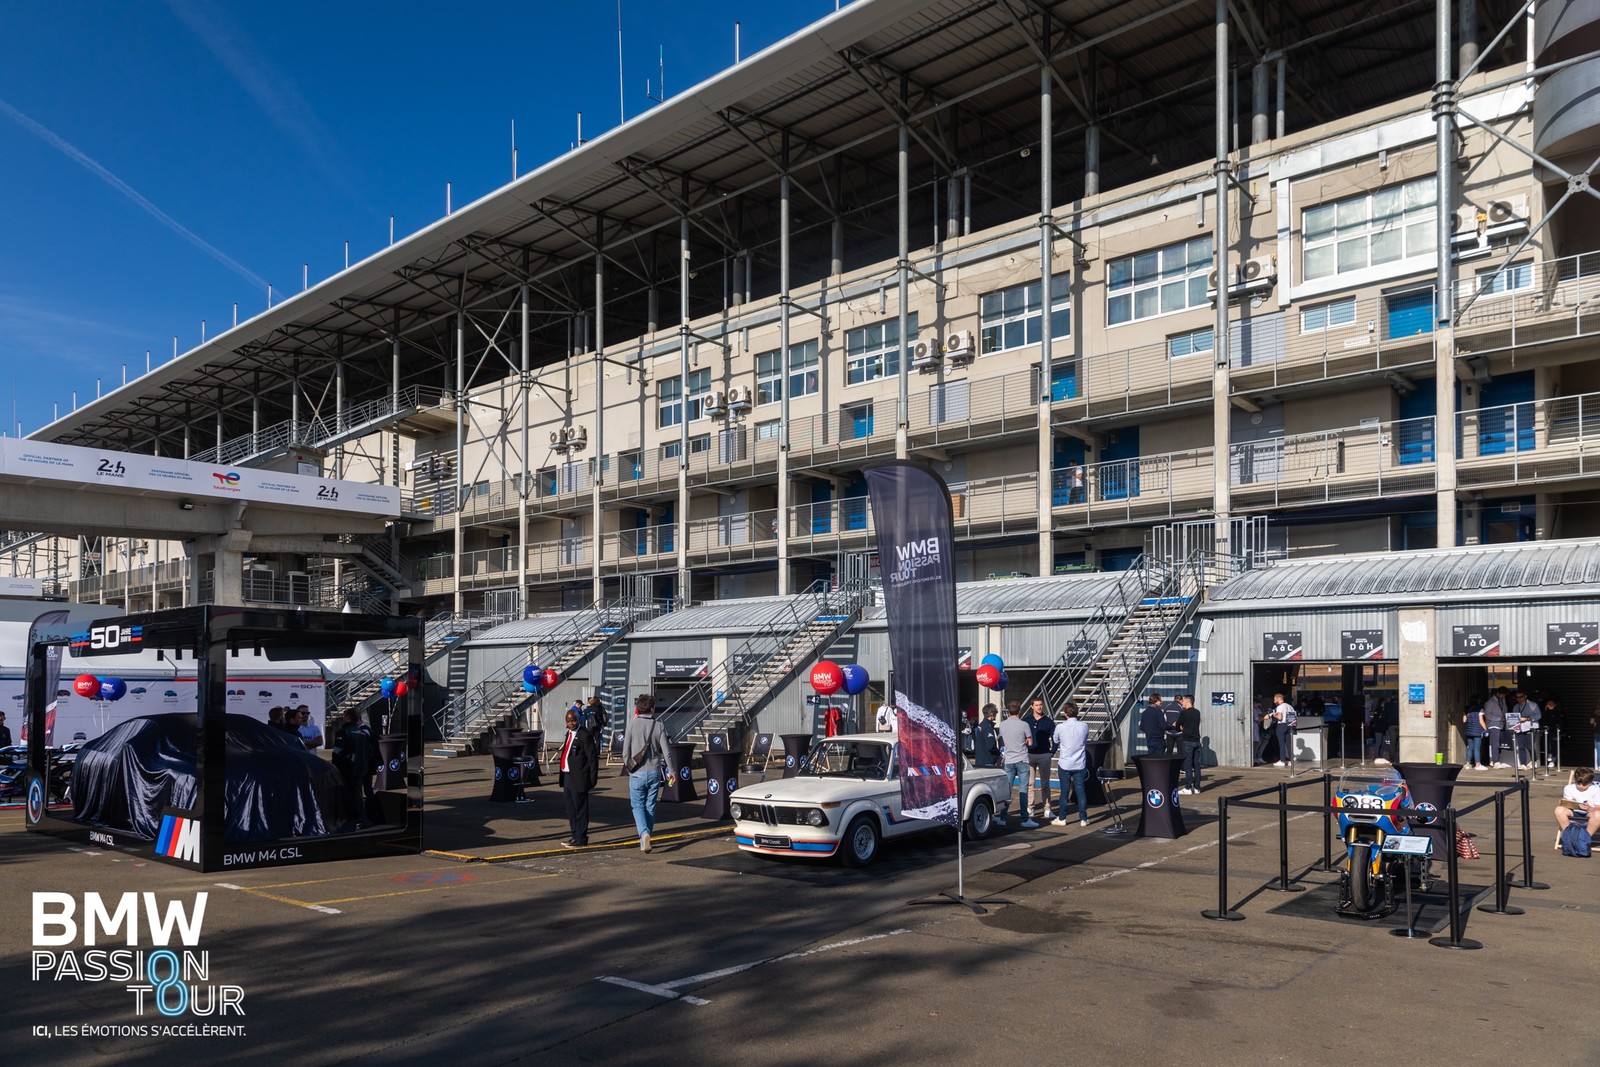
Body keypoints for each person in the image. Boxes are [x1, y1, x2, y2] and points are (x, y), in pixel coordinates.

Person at [622, 692, 670, 853]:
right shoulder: (659, 726)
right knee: (650, 805)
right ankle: (646, 836)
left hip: (637, 772)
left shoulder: (632, 725)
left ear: (638, 708)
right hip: (654, 771)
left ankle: (643, 834)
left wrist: (629, 767)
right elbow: (666, 752)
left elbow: (625, 752)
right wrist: (672, 770)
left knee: (637, 805)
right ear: (652, 709)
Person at [557, 708, 599, 848]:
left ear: (578, 719)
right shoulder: (569, 734)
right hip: (567, 776)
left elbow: (592, 758)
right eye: (569, 721)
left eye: (574, 720)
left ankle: (581, 838)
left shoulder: (584, 735)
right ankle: (574, 835)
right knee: (571, 809)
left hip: (579, 777)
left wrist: (593, 779)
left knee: (580, 809)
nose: (572, 723)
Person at [331, 707, 376, 826]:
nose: (342, 718)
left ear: (348, 718)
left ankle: (351, 818)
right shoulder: (362, 733)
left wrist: (334, 767)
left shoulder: (343, 732)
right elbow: (370, 752)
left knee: (347, 794)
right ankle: (361, 817)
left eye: (344, 716)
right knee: (358, 794)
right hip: (361, 769)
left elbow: (337, 752)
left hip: (346, 769)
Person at [1050, 702, 1090, 828]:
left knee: (1064, 791)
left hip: (1065, 763)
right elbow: (1085, 739)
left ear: (1065, 713)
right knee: (1080, 790)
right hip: (1079, 763)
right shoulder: (1084, 726)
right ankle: (1083, 818)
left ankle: (1062, 818)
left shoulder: (1060, 727)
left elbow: (1055, 740)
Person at [996, 704, 1035, 828]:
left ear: (1009, 711)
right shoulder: (1024, 725)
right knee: (1023, 789)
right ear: (1019, 711)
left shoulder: (1003, 724)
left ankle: (1002, 817)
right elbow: (1030, 742)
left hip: (1009, 760)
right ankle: (1024, 819)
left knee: (1007, 790)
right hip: (1022, 759)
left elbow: (1002, 739)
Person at [1025, 697, 1056, 818]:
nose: (1039, 707)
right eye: (1037, 705)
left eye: (1041, 705)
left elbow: (1055, 738)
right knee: (1030, 784)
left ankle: (1047, 808)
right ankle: (1030, 808)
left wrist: (1052, 752)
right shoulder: (1026, 720)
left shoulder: (1048, 722)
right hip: (1029, 755)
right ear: (1032, 706)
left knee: (1045, 784)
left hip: (1044, 755)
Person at [1554, 768, 1600, 842]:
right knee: (1558, 810)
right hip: (1573, 812)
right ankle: (1570, 836)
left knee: (1598, 814)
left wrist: (1589, 808)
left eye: (1585, 784)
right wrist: (1564, 803)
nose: (1581, 786)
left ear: (1590, 782)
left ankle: (1584, 839)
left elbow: (1598, 807)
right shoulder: (1569, 788)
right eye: (1578, 783)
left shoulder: (1596, 789)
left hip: (1589, 813)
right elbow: (1567, 805)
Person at [1176, 694, 1202, 794]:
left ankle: (1188, 787)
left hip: (1187, 741)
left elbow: (1178, 726)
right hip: (1196, 741)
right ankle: (1197, 787)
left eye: (1183, 701)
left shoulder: (1184, 713)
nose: (1181, 702)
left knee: (1187, 764)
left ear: (1187, 701)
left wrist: (1181, 727)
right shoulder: (1197, 712)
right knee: (1197, 764)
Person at [1482, 687, 1508, 768]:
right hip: (1493, 724)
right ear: (1498, 693)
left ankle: (1498, 760)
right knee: (1495, 743)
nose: (1504, 697)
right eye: (1503, 695)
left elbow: (1504, 710)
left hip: (1501, 724)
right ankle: (1495, 761)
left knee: (1499, 743)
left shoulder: (1502, 701)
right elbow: (1487, 714)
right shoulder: (1490, 702)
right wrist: (1499, 718)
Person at [970, 704, 1001, 769]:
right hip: (987, 761)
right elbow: (991, 746)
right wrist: (999, 754)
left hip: (980, 761)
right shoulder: (987, 727)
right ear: (991, 714)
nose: (996, 715)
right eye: (995, 714)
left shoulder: (980, 726)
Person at [1271, 691, 1296, 767]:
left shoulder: (1280, 707)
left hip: (1281, 725)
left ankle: (1282, 760)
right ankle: (1290, 760)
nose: (1274, 702)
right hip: (1289, 725)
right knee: (1288, 744)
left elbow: (1280, 717)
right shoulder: (1290, 706)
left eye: (1275, 700)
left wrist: (1274, 714)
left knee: (1281, 744)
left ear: (1279, 699)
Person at [1462, 695, 1486, 770]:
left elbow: (1464, 720)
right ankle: (1478, 764)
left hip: (1469, 731)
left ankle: (1468, 764)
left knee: (1469, 748)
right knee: (1477, 748)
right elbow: (1481, 721)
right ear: (1478, 701)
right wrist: (1486, 729)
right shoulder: (1480, 709)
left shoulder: (1466, 708)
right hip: (1477, 731)